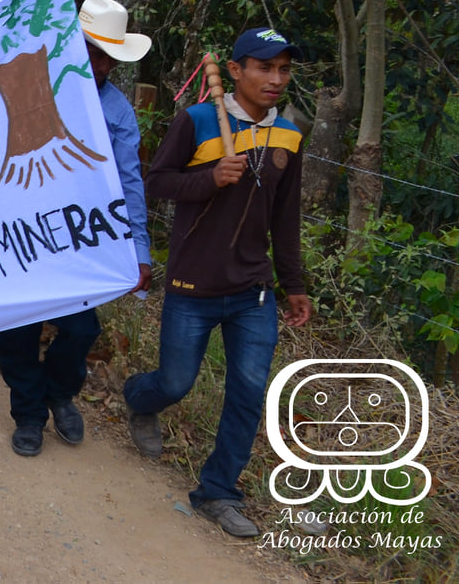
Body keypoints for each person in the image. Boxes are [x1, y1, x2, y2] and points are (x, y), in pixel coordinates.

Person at [122, 28, 311, 538]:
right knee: (175, 382)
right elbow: (157, 181)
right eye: (264, 67)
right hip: (193, 283)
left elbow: (285, 215)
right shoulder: (200, 121)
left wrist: (293, 282)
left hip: (253, 290)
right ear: (235, 70)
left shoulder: (288, 134)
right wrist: (209, 179)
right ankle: (138, 400)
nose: (275, 79)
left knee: (249, 393)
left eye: (284, 70)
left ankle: (217, 492)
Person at [0, 0, 154, 442]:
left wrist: (138, 249)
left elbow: (129, 179)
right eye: (93, 53)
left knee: (81, 329)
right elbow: (10, 27)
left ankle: (61, 390)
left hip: (79, 234)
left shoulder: (119, 112)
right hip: (20, 221)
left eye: (110, 58)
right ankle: (30, 417)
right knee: (17, 329)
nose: (101, 65)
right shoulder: (35, 77)